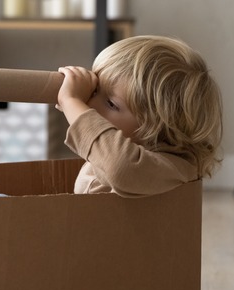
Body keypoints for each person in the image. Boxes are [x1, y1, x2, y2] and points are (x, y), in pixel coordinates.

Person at [57, 35, 222, 197]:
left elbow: (120, 168)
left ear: (159, 128)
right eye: (94, 91)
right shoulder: (111, 151)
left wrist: (71, 101)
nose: (90, 105)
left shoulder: (169, 167)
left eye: (111, 104)